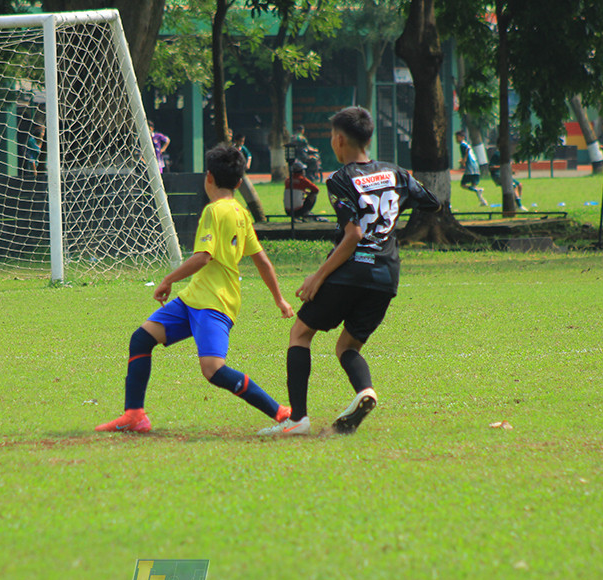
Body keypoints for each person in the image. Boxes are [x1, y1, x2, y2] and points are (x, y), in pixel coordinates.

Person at [259, 106, 441, 437]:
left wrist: (318, 276)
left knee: (300, 333)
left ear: (340, 139)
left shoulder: (341, 180)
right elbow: (432, 202)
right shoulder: (396, 174)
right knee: (347, 348)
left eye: (331, 136)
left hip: (351, 271)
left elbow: (353, 235)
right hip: (386, 277)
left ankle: (297, 418)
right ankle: (365, 391)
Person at [96, 143, 295, 434]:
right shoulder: (241, 213)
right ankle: (135, 415)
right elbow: (263, 261)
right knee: (141, 339)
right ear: (239, 183)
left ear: (208, 178)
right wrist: (279, 299)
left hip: (214, 303)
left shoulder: (214, 211)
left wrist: (167, 280)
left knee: (213, 370)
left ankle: (281, 413)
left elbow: (203, 257)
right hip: (193, 299)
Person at [456, 131, 489, 206]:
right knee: (473, 185)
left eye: (457, 137)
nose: (456, 139)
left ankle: (477, 191)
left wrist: (463, 161)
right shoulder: (467, 144)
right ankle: (483, 201)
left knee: (463, 184)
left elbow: (466, 152)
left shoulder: (462, 145)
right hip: (475, 166)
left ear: (462, 137)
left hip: (470, 168)